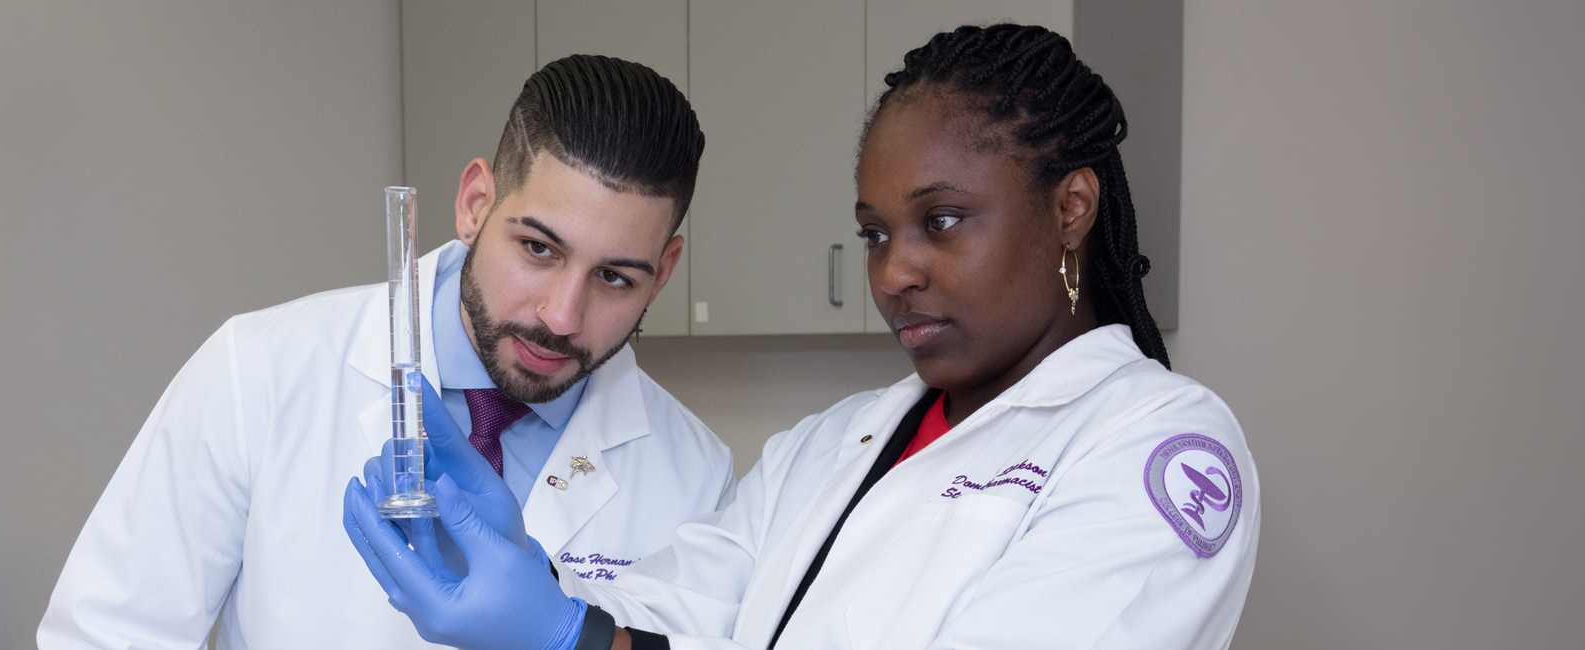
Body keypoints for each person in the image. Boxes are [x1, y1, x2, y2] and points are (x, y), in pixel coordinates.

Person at [342, 24, 1260, 650]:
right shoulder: (832, 447)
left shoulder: (1159, 447)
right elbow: (665, 620)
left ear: (1071, 207)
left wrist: (562, 637)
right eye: (875, 233)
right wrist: (541, 590)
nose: (894, 271)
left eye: (940, 222)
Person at [40, 55, 736, 650]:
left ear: (664, 270)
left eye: (615, 277)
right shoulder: (258, 372)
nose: (560, 315)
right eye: (537, 248)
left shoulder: (695, 476)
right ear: (474, 203)